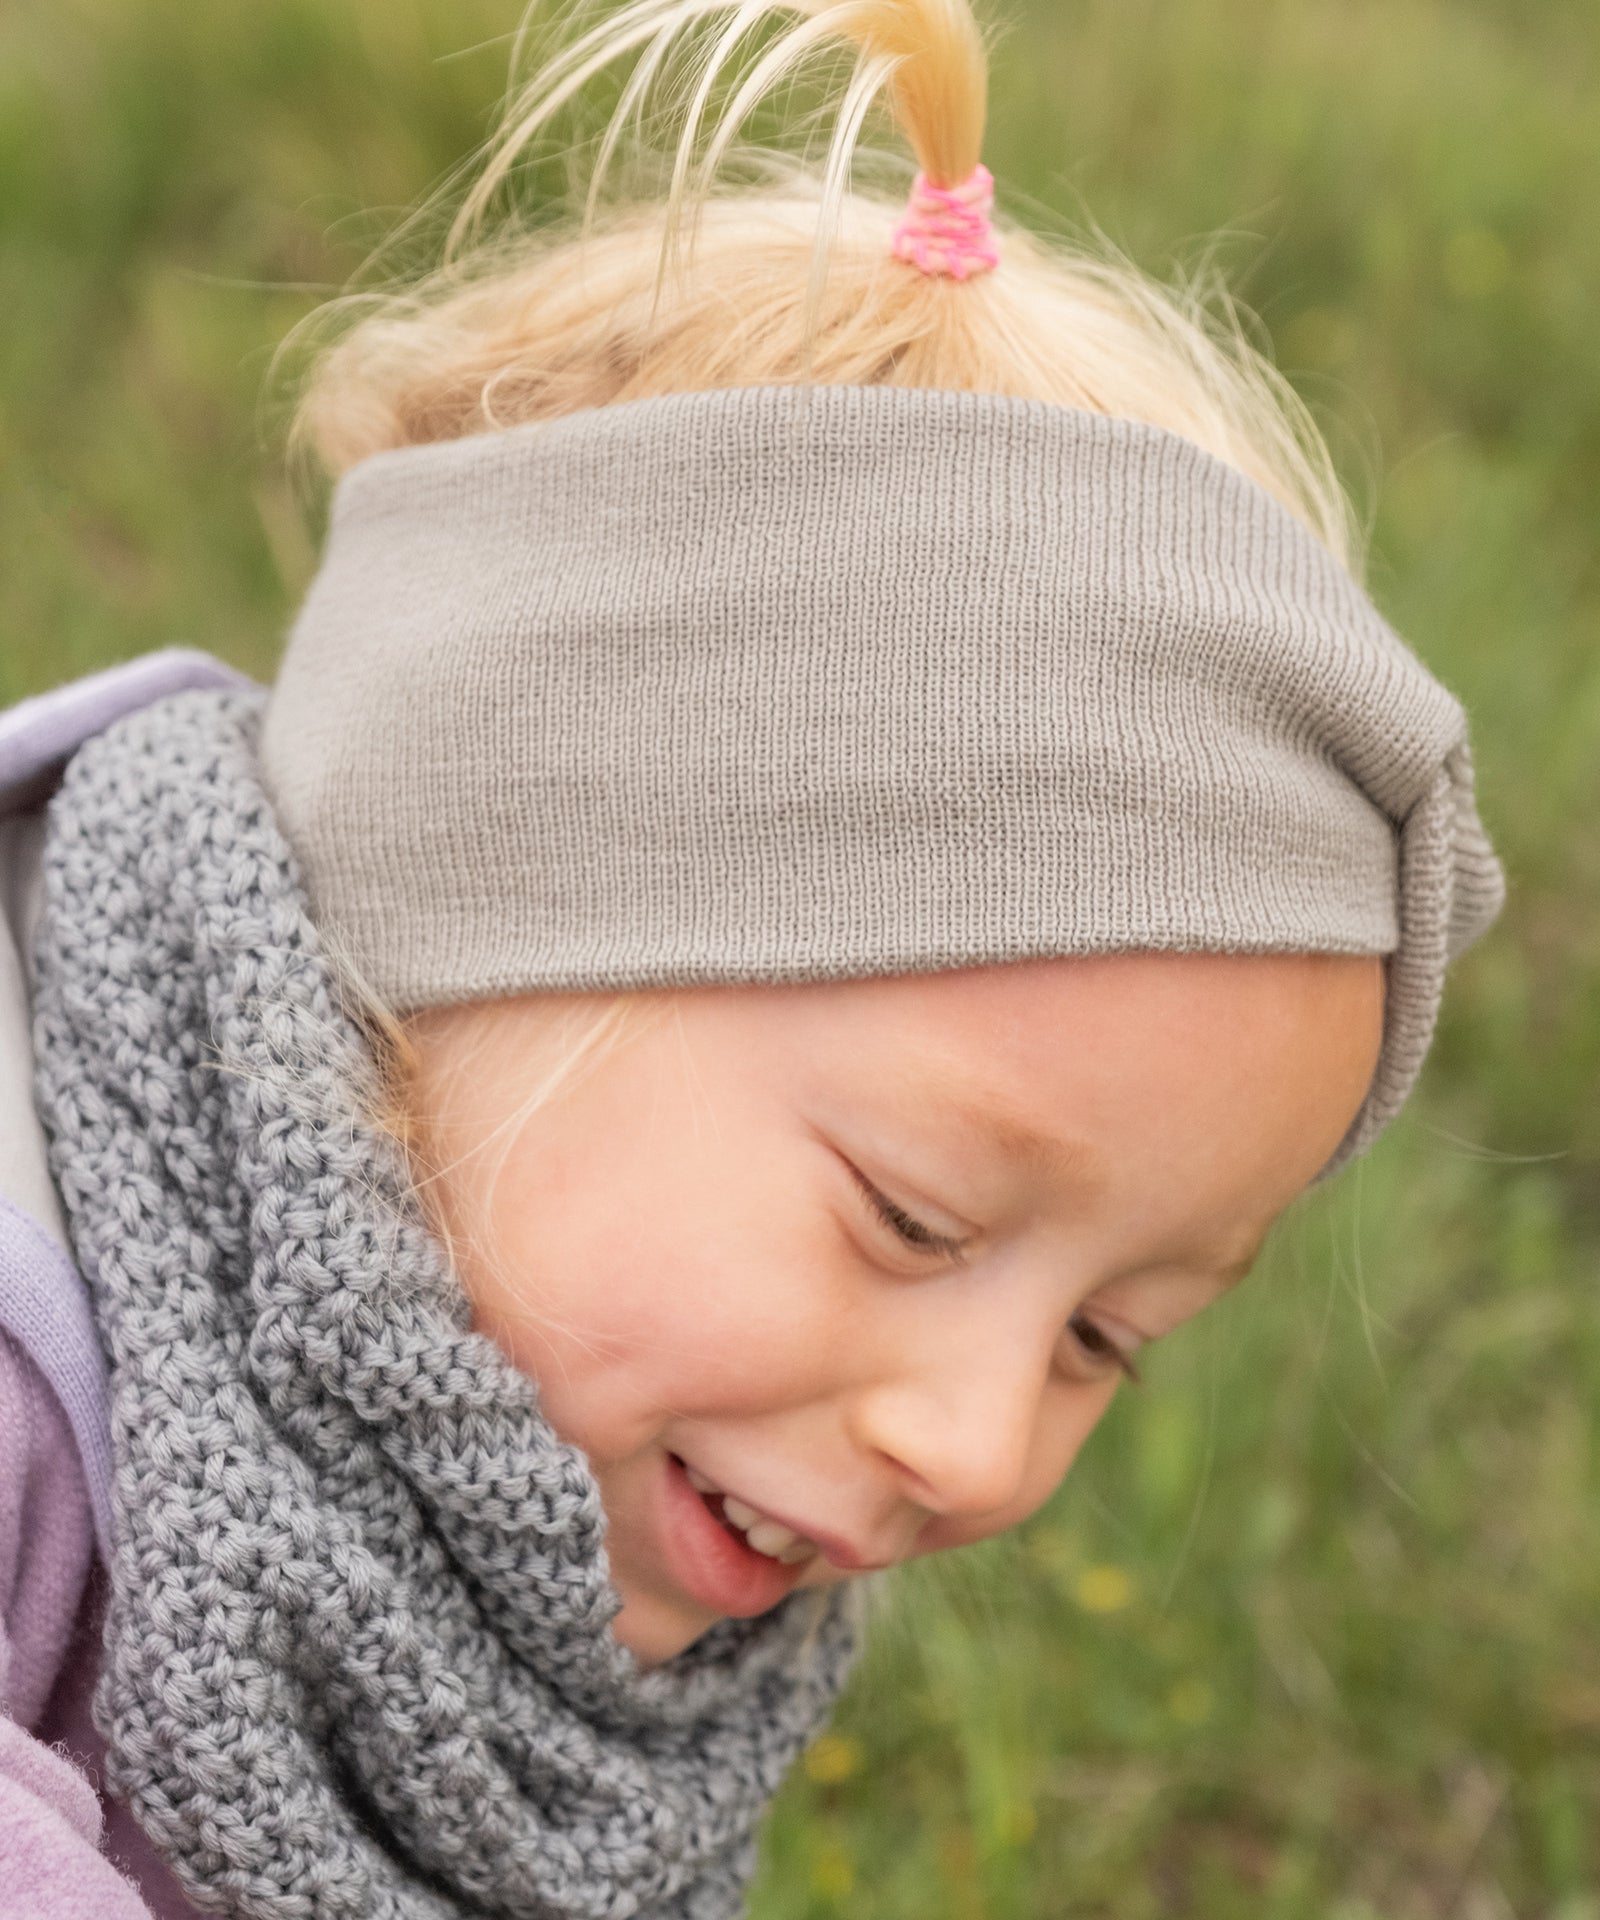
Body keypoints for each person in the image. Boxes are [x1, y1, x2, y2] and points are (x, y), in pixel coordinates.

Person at [0, 1, 1504, 1915]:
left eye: (1104, 1338)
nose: (975, 1450)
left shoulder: (561, 1569)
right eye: (912, 1219)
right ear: (481, 904)